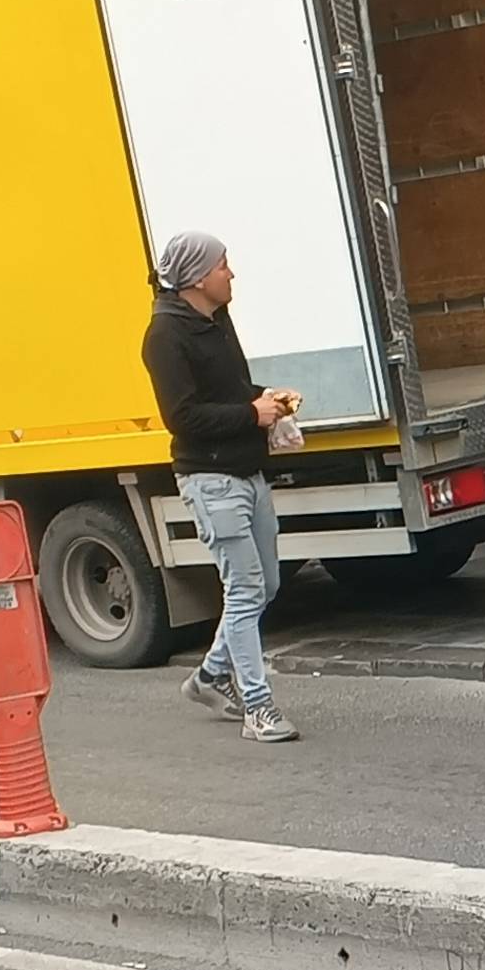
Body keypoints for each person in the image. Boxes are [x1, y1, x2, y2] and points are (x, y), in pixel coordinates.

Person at [143, 232, 306, 744]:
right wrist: (248, 413)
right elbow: (182, 417)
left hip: (248, 473)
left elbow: (229, 393)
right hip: (211, 481)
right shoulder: (164, 335)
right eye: (223, 265)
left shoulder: (216, 319)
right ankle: (258, 708)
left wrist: (265, 401)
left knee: (268, 586)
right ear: (196, 277)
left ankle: (210, 677)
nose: (230, 274)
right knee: (245, 590)